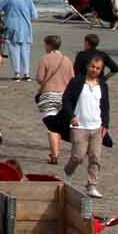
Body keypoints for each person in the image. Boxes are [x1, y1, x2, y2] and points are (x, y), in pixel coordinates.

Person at [50, 54, 110, 197]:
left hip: (96, 126)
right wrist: (72, 116)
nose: (94, 70)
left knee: (95, 157)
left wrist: (105, 124)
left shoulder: (102, 86)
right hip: (79, 126)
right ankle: (68, 172)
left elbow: (105, 106)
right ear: (87, 67)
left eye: (98, 68)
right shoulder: (77, 82)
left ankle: (91, 185)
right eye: (92, 67)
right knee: (78, 157)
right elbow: (67, 100)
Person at [34, 34, 74, 164]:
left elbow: (40, 78)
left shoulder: (45, 59)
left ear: (49, 45)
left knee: (52, 126)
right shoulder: (67, 59)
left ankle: (55, 155)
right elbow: (72, 79)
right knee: (61, 125)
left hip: (48, 95)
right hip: (64, 96)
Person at [0, 0, 36, 77]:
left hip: (11, 25)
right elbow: (34, 15)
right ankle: (26, 73)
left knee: (13, 49)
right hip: (25, 26)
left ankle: (17, 72)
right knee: (25, 49)